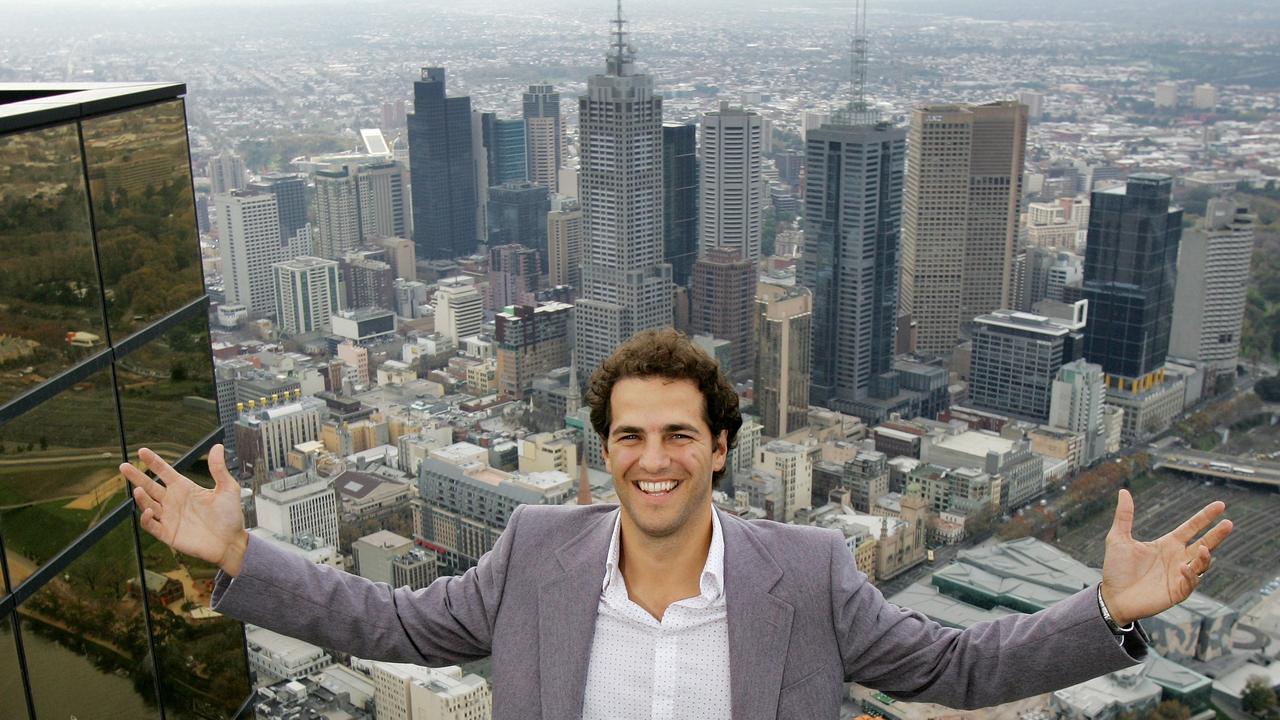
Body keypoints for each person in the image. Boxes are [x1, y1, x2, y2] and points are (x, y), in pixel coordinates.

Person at [123, 329, 1234, 720]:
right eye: (627, 437)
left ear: (717, 447)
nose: (651, 460)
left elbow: (953, 667)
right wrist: (236, 549)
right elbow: (393, 625)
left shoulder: (807, 568)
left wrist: (1106, 613)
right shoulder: (533, 551)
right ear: (603, 451)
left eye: (676, 436)